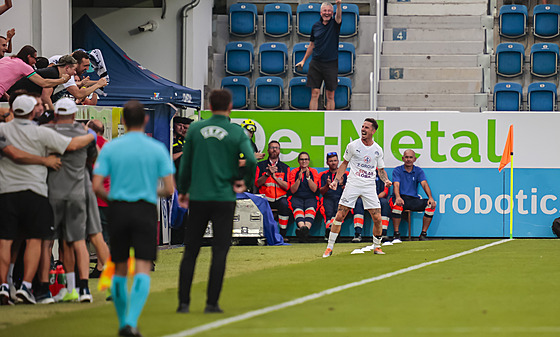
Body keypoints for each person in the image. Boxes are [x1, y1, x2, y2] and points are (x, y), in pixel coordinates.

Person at [0, 95, 94, 305]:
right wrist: (91, 135)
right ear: (34, 112)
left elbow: (13, 153)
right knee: (41, 241)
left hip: (9, 192)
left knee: (8, 242)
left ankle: (9, 285)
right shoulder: (42, 132)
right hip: (39, 192)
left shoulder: (4, 130)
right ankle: (30, 286)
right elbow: (72, 145)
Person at [93, 100, 174, 336]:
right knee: (142, 267)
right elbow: (169, 189)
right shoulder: (156, 149)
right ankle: (131, 321)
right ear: (145, 120)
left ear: (124, 121)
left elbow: (96, 184)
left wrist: (112, 198)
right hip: (144, 209)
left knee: (118, 267)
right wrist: (149, 190)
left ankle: (122, 323)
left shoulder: (110, 148)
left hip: (118, 208)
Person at [177, 89, 256, 314]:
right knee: (220, 251)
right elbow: (250, 159)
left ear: (209, 106)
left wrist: (183, 190)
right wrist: (245, 182)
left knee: (191, 250)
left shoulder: (195, 129)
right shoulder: (235, 131)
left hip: (199, 196)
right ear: (230, 106)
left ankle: (183, 302)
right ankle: (211, 303)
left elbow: (186, 164)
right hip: (223, 197)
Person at [41, 98, 98, 304]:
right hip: (76, 194)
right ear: (74, 115)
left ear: (56, 114)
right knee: (78, 242)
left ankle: (46, 291)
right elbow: (93, 159)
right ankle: (82, 289)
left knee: (47, 243)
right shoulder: (84, 135)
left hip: (51, 194)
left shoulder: (46, 133)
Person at [322, 118, 392, 257]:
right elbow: (344, 164)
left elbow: (381, 169)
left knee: (377, 218)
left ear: (373, 131)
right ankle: (329, 247)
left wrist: (386, 180)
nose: (363, 129)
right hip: (353, 183)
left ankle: (377, 247)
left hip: (369, 185)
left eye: (366, 127)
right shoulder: (353, 145)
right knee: (340, 215)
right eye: (362, 127)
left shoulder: (377, 150)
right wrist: (336, 180)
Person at [295, 0, 342, 110]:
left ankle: (329, 120)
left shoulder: (335, 25)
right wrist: (303, 60)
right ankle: (313, 120)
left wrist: (338, 5)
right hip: (316, 63)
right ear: (321, 13)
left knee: (330, 95)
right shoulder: (315, 26)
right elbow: (311, 45)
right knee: (314, 93)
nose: (327, 13)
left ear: (332, 12)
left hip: (331, 64)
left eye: (329, 11)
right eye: (324, 11)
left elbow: (339, 17)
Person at [389, 149, 436, 241]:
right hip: (401, 197)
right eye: (406, 157)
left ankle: (423, 234)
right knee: (397, 206)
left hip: (413, 199)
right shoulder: (397, 170)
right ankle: (396, 234)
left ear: (414, 159)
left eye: (411, 157)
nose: (408, 159)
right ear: (403, 158)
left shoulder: (418, 171)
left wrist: (430, 198)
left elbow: (424, 184)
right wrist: (398, 197)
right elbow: (396, 184)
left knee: (431, 205)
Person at [319, 151, 366, 242]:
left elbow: (352, 190)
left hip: (343, 198)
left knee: (341, 209)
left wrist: (341, 185)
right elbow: (321, 192)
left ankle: (335, 232)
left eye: (335, 160)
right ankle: (329, 232)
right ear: (327, 162)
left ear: (338, 162)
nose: (333, 162)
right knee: (328, 210)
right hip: (328, 198)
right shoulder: (323, 175)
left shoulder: (346, 174)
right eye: (331, 161)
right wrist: (327, 185)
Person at [7, 54, 78, 110]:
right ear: (67, 68)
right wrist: (53, 114)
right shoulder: (53, 74)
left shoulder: (54, 72)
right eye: (74, 69)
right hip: (13, 94)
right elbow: (45, 97)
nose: (75, 72)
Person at [0, 45, 70, 98]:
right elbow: (43, 83)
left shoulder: (7, 58)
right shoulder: (24, 66)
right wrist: (62, 80)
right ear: (29, 56)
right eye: (35, 58)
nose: (35, 62)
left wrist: (7, 96)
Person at [255, 141, 291, 241]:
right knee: (262, 206)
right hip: (265, 197)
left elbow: (287, 186)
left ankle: (283, 235)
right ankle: (263, 235)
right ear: (268, 150)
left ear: (279, 151)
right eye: (272, 147)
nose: (274, 149)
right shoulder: (260, 166)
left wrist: (275, 178)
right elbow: (257, 183)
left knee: (285, 204)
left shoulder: (285, 167)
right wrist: (267, 174)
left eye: (276, 148)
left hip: (280, 198)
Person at [288, 152, 320, 242]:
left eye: (306, 159)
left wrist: (308, 178)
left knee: (311, 207)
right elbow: (293, 190)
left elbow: (314, 189)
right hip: (297, 197)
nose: (304, 161)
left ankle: (303, 230)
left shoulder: (313, 172)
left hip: (310, 197)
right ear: (298, 161)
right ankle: (303, 229)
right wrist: (298, 179)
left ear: (309, 161)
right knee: (298, 208)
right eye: (302, 159)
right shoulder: (294, 172)